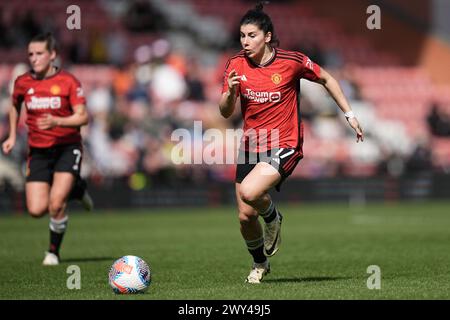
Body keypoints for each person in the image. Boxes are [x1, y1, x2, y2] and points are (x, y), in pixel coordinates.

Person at [219, 3, 364, 284]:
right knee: (245, 217)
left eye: (251, 35)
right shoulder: (235, 64)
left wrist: (349, 114)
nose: (245, 42)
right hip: (252, 144)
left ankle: (273, 217)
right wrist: (231, 93)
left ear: (268, 36)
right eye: (242, 35)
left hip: (284, 141)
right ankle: (260, 263)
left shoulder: (291, 61)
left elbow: (326, 77)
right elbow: (225, 111)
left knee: (250, 192)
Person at [1, 33, 93, 266]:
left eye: (39, 53)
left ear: (52, 54)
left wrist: (57, 122)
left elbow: (83, 117)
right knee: (35, 209)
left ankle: (53, 252)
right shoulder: (23, 82)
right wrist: (12, 134)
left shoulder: (68, 81)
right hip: (38, 151)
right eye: (30, 54)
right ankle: (77, 189)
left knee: (56, 203)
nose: (34, 58)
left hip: (67, 147)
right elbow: (14, 106)